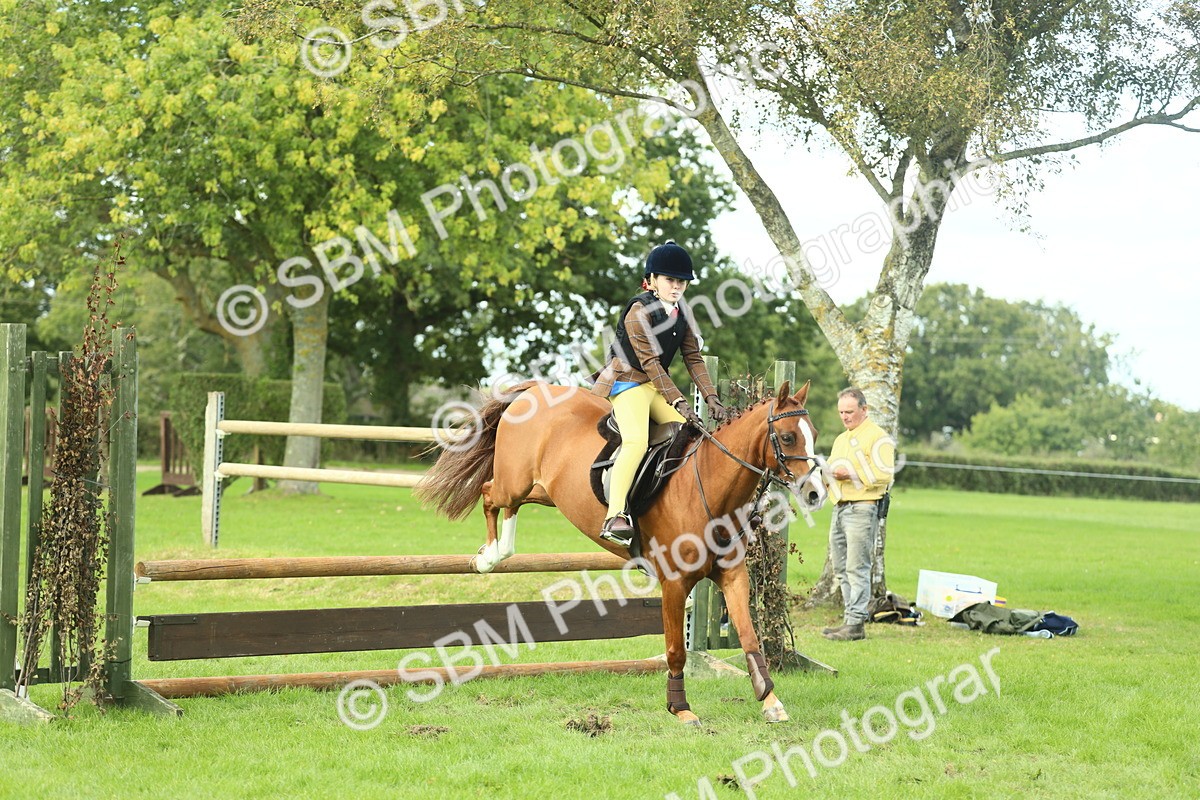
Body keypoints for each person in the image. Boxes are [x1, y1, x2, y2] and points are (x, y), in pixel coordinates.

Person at [589, 241, 727, 547]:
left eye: (682, 282)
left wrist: (711, 397)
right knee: (636, 442)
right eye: (670, 280)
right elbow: (651, 362)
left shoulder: (682, 312)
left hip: (653, 387)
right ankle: (615, 515)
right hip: (626, 383)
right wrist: (679, 400)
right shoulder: (638, 311)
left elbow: (693, 358)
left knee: (692, 435)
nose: (677, 287)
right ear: (652, 280)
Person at [823, 387, 895, 641]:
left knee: (857, 567)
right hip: (840, 507)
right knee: (841, 567)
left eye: (850, 411)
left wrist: (850, 474)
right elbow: (831, 470)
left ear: (864, 410)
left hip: (863, 508)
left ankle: (856, 624)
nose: (845, 416)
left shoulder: (878, 437)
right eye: (841, 412)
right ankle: (848, 620)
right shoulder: (841, 439)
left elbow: (885, 474)